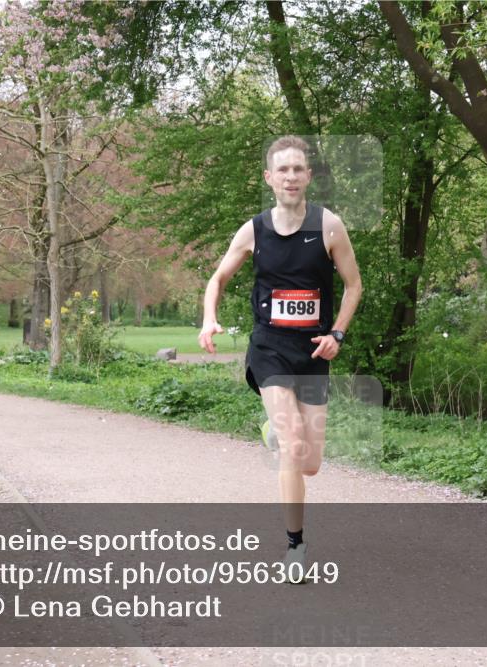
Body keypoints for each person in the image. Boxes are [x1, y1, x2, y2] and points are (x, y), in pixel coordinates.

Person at [198, 135, 362, 582]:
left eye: (298, 169)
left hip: (313, 350)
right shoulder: (254, 230)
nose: (291, 176)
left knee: (310, 463)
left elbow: (353, 285)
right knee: (293, 448)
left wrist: (337, 333)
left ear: (308, 176)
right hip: (269, 348)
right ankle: (295, 546)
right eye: (282, 170)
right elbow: (218, 278)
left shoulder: (329, 226)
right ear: (269, 178)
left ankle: (273, 431)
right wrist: (209, 319)